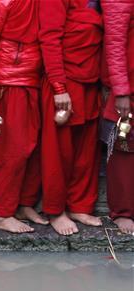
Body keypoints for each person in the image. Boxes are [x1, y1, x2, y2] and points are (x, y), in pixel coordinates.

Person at [0, 0, 45, 234]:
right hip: (9, 82)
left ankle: (22, 205)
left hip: (33, 80)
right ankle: (3, 214)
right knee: (9, 151)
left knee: (31, 147)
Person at [38, 0, 103, 236]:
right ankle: (55, 210)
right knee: (59, 151)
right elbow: (49, 38)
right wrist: (58, 86)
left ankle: (80, 206)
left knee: (86, 150)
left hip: (90, 78)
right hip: (65, 80)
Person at [102, 0, 134, 235]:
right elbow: (114, 43)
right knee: (124, 147)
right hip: (128, 87)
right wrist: (122, 91)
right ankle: (122, 212)